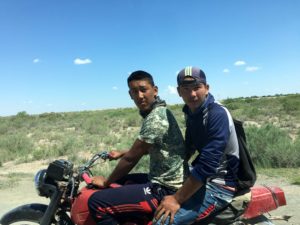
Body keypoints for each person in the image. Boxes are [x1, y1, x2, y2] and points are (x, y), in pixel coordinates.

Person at [88, 70, 190, 225]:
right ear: (130, 94)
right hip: (164, 178)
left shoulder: (156, 118)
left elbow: (131, 159)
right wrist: (122, 153)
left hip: (166, 188)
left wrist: (106, 182)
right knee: (123, 180)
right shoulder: (159, 111)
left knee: (96, 202)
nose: (140, 95)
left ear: (155, 90)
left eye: (143, 90)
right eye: (135, 92)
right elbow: (152, 148)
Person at [154, 66, 240, 225]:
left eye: (197, 88)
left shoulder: (216, 114)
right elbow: (188, 147)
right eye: (186, 89)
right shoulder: (191, 112)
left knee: (162, 222)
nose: (192, 94)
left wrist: (176, 199)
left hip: (220, 185)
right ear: (179, 91)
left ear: (207, 88)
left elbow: (208, 165)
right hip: (202, 176)